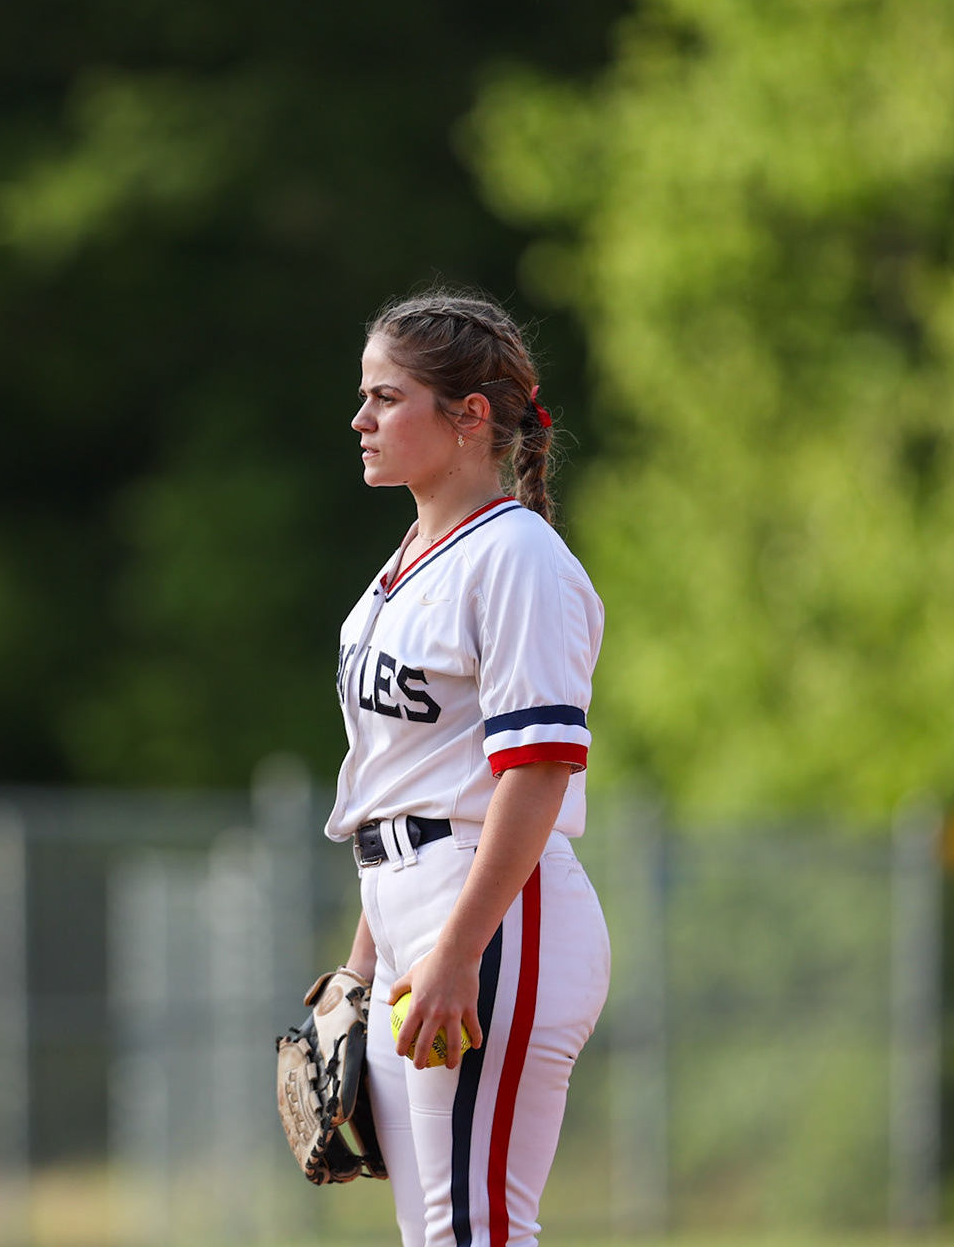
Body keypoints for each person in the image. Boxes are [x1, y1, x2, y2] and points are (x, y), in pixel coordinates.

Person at [329, 290, 612, 1247]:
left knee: (476, 1230)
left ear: (471, 416)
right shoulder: (404, 565)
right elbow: (398, 778)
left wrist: (455, 948)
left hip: (494, 912)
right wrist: (362, 969)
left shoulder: (517, 556)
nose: (361, 419)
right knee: (439, 1237)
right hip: (413, 908)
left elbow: (534, 773)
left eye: (387, 397)